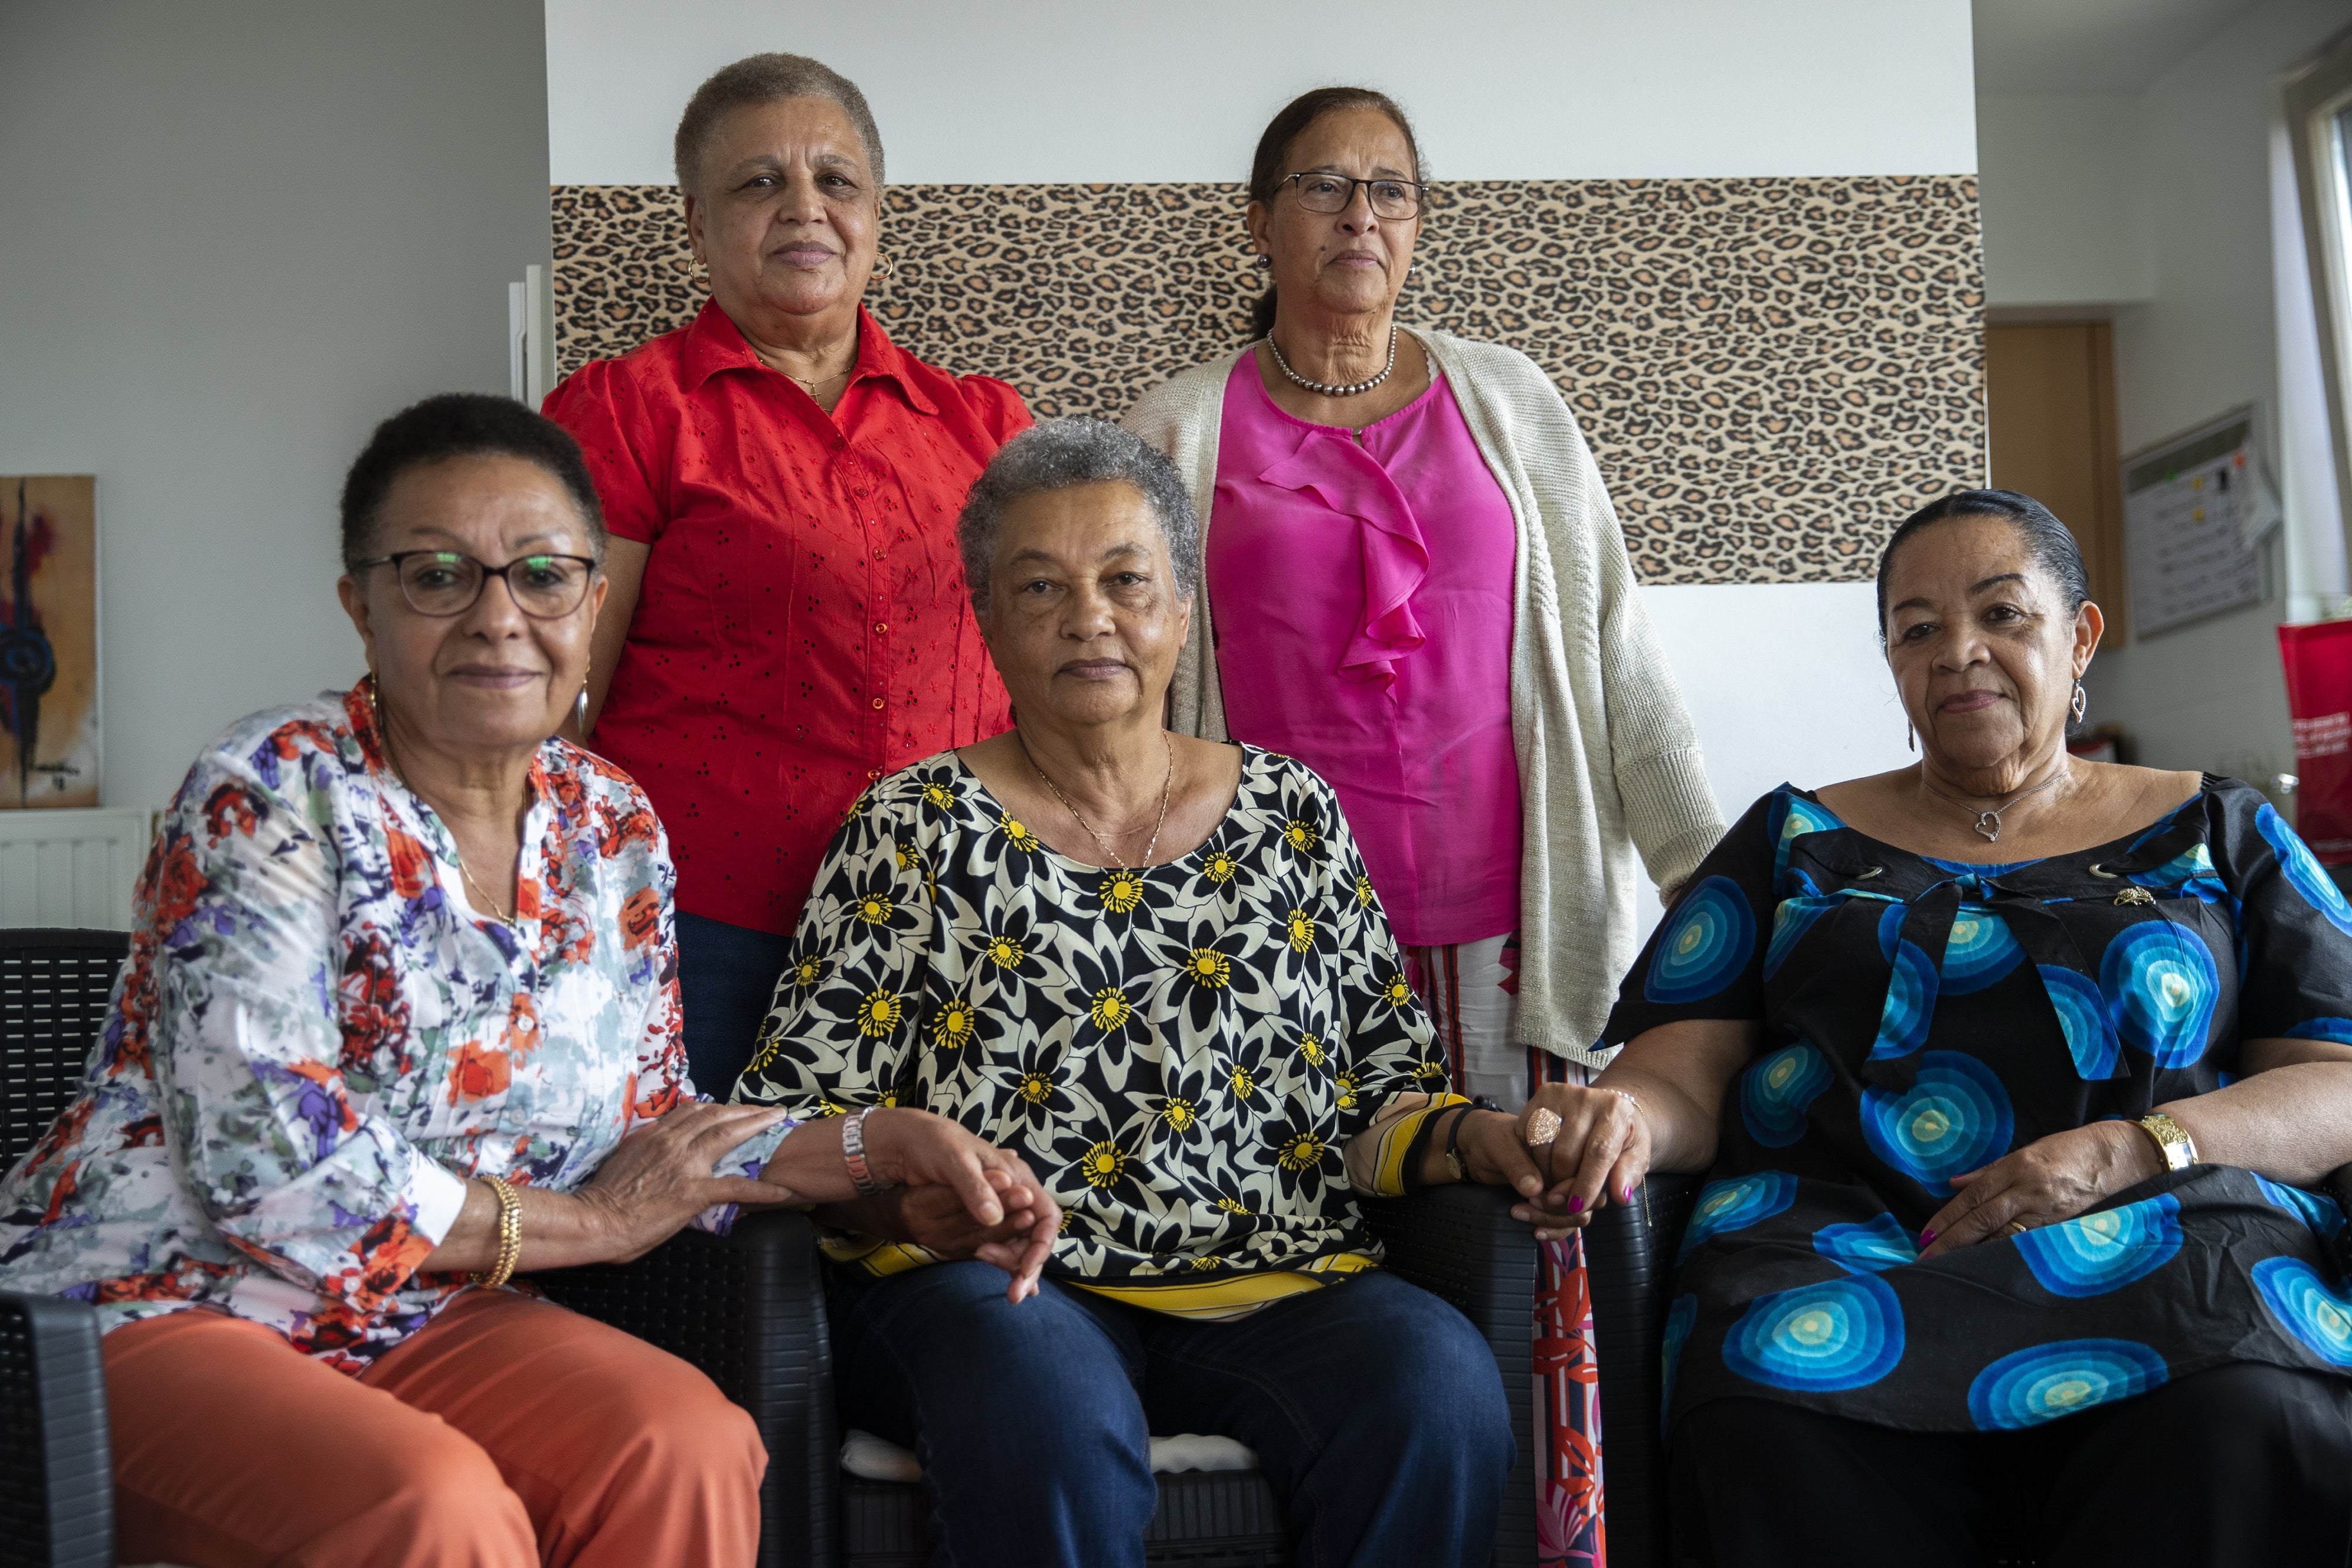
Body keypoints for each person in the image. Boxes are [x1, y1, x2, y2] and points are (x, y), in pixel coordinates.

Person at [0, 394, 1056, 1568]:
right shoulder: (272, 789)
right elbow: (277, 1170)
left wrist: (874, 1152)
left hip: (420, 1313)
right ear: (360, 606)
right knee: (436, 1506)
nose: (498, 616)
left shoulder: (612, 826)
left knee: (684, 1444)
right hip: (158, 1303)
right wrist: (588, 1225)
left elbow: (655, 1125)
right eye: (437, 576)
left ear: (593, 604)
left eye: (543, 576)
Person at [734, 419, 1580, 1568]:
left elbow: (1385, 1097)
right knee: (1045, 1401)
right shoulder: (911, 825)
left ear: (1182, 609)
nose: (1088, 617)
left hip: (1276, 1287)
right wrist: (898, 1202)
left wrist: (1495, 1138)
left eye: (1125, 580)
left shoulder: (1291, 814)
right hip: (1002, 1293)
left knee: (1433, 1380)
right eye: (1041, 586)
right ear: (988, 621)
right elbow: (789, 1125)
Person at [1121, 85, 1726, 1557]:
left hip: (1508, 938)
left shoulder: (1505, 402)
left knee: (1532, 1262)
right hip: (1264, 956)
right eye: (1323, 186)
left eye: (1389, 189)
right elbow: (1125, 693)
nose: (1359, 215)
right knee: (1314, 1287)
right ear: (1257, 221)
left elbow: (1614, 653)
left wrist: (1722, 903)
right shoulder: (1177, 427)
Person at [1536, 489, 2352, 1567]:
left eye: (2002, 614)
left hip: (2165, 1240)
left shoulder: (2215, 826)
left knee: (2245, 1408)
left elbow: (2337, 1080)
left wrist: (2130, 1148)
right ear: (1892, 662)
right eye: (1918, 629)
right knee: (1768, 1418)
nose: (1959, 652)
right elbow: (1681, 1072)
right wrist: (1622, 1119)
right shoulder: (1795, 838)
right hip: (1839, 1249)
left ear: (2080, 637)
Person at [543, 52, 1030, 1096]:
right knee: (717, 1195)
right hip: (709, 929)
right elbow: (558, 697)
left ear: (876, 214)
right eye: (760, 181)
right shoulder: (628, 411)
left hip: (963, 921)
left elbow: (1054, 672)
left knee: (949, 1192)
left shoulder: (984, 424)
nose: (804, 206)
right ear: (697, 225)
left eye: (835, 180)